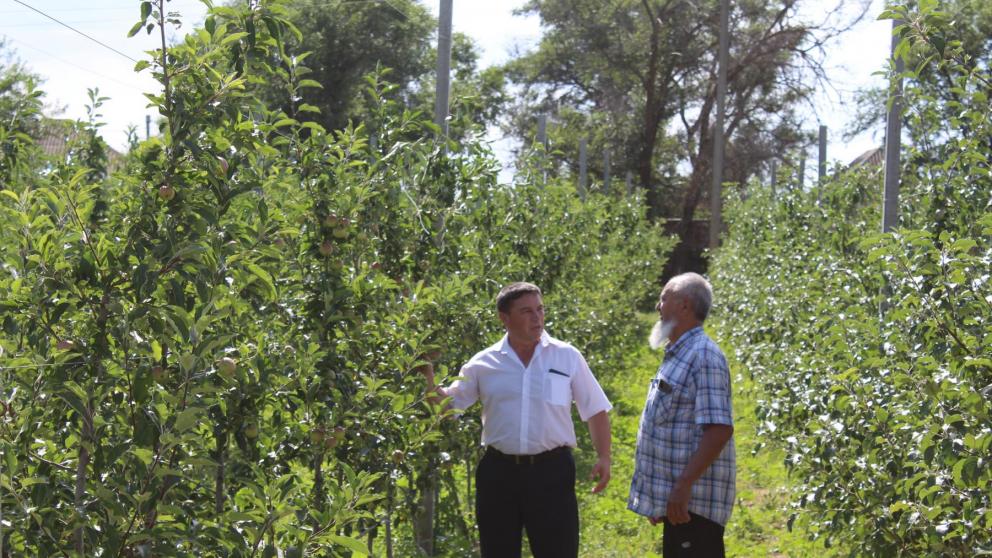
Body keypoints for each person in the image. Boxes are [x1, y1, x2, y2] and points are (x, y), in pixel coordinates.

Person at [419, 281, 612, 558]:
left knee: (557, 550)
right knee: (498, 551)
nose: (537, 318)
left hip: (552, 472)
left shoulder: (566, 356)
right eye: (526, 311)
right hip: (500, 473)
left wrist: (604, 456)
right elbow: (448, 407)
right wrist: (427, 377)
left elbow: (594, 408)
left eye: (540, 309)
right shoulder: (483, 364)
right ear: (504, 318)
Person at [628, 272, 736, 557]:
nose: (658, 306)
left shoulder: (703, 356)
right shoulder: (680, 354)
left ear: (684, 306)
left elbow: (719, 429)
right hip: (680, 505)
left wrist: (682, 488)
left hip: (693, 508)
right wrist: (659, 497)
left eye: (664, 298)